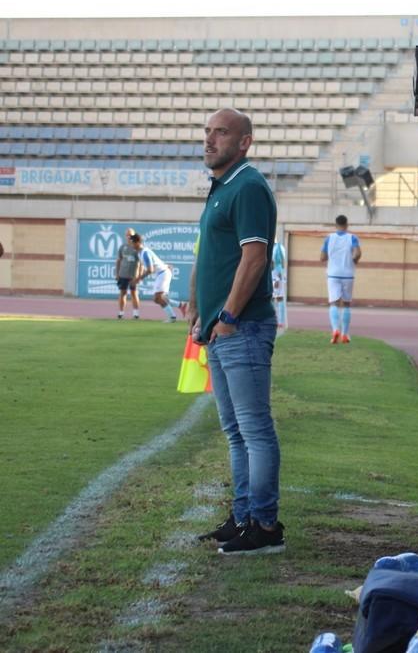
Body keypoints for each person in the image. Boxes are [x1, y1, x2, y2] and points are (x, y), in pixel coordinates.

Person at [190, 107, 284, 556]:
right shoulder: (222, 186)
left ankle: (265, 525)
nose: (210, 140)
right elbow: (210, 254)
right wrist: (200, 311)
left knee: (253, 429)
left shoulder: (247, 186)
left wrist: (226, 316)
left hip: (241, 327)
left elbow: (254, 258)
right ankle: (244, 515)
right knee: (235, 430)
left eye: (221, 133)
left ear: (244, 141)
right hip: (221, 328)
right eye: (207, 132)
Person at [320, 214, 361, 344]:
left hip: (333, 274)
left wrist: (329, 257)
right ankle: (345, 334)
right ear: (347, 225)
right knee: (347, 304)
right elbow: (358, 252)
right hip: (348, 273)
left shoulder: (329, 238)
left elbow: (322, 257)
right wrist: (354, 259)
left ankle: (335, 330)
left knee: (334, 303)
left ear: (336, 225)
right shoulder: (352, 238)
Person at [132, 233, 183, 323]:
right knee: (160, 298)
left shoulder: (145, 253)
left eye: (133, 242)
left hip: (163, 273)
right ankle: (181, 305)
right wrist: (165, 265)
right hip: (162, 273)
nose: (132, 244)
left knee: (157, 298)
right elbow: (156, 261)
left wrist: (138, 279)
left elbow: (150, 270)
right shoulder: (140, 253)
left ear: (138, 242)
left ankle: (172, 317)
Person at [115, 227, 142, 319]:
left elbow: (141, 263)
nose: (129, 237)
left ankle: (136, 313)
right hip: (123, 274)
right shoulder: (122, 247)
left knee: (134, 293)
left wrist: (139, 275)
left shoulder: (137, 248)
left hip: (133, 275)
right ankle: (121, 313)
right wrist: (117, 273)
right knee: (123, 293)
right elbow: (118, 260)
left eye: (130, 235)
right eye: (127, 235)